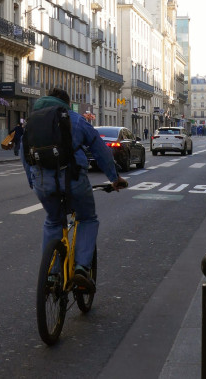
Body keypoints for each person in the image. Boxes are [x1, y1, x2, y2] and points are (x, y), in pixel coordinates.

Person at [21, 88, 127, 292]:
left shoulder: (32, 122)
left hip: (43, 182)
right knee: (87, 218)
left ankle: (51, 275)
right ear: (66, 104)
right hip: (73, 179)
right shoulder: (76, 120)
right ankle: (80, 269)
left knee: (53, 221)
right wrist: (114, 178)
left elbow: (25, 155)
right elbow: (100, 150)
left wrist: (32, 181)